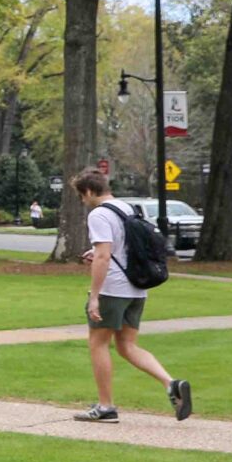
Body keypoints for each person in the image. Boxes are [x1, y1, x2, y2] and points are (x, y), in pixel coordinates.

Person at [72, 169, 193, 422]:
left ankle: (106, 407)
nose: (83, 201)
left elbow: (104, 255)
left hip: (112, 289)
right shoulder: (127, 209)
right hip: (136, 288)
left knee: (98, 343)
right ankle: (171, 384)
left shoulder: (99, 214)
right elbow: (122, 249)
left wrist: (94, 296)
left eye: (82, 196)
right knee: (127, 345)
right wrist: (97, 254)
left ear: (90, 191)